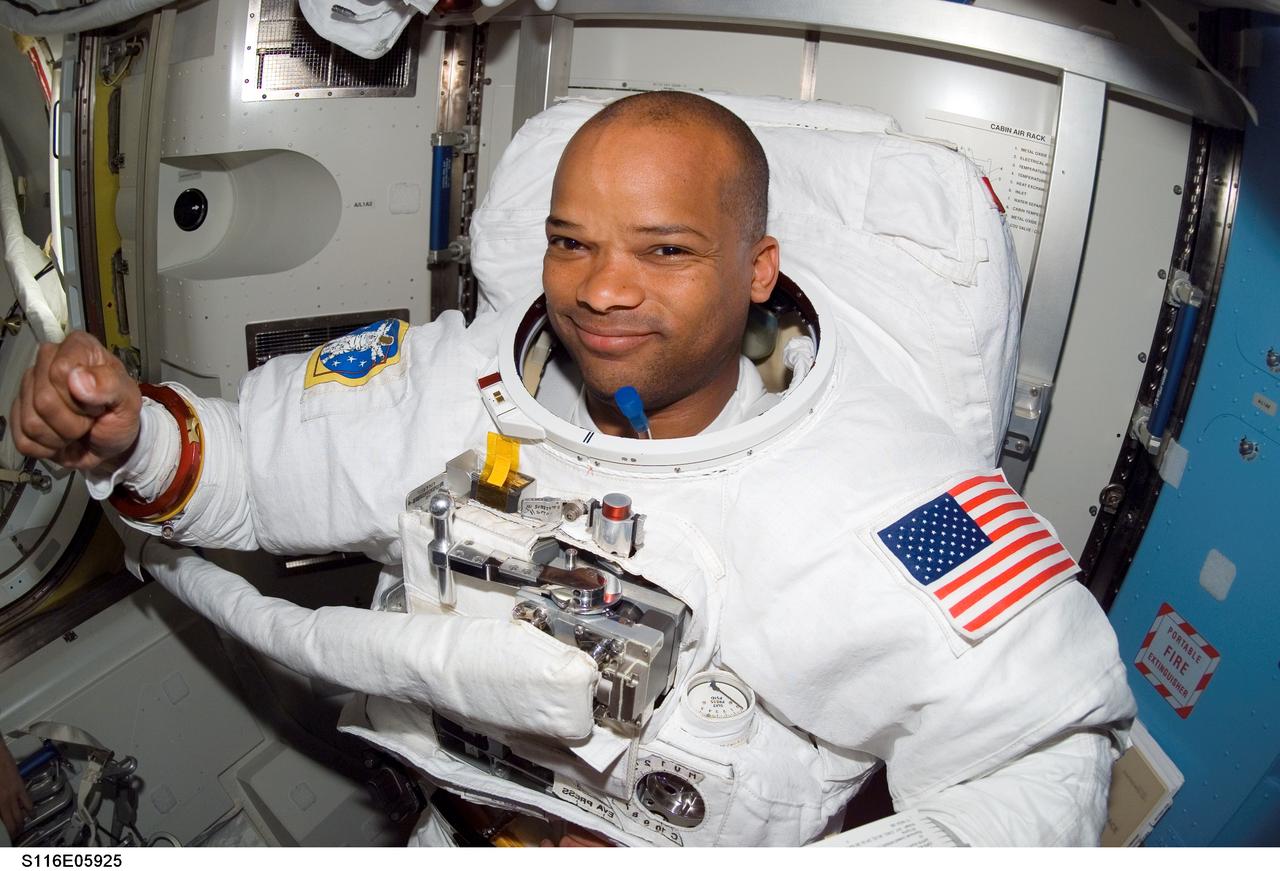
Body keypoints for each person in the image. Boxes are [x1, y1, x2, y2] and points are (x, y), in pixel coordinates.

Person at [9, 91, 1135, 847]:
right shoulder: (450, 387)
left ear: (758, 270)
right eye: (571, 242)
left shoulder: (889, 496)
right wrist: (130, 438)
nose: (602, 289)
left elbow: (1034, 760)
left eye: (664, 249)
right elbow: (248, 464)